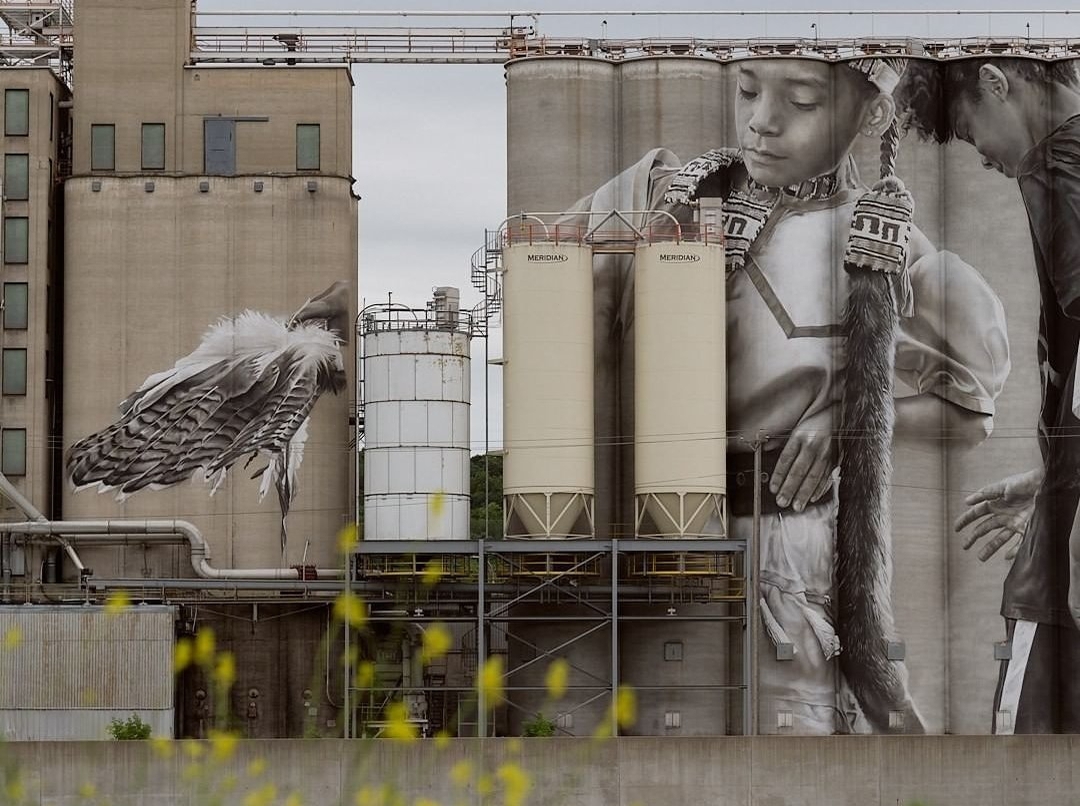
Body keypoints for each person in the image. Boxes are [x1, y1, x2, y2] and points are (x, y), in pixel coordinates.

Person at [565, 57, 1010, 734]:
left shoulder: (890, 248)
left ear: (873, 114)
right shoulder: (675, 201)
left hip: (793, 545)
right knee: (663, 730)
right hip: (661, 534)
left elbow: (972, 405)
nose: (761, 122)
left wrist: (860, 419)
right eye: (747, 91)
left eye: (800, 101)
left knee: (790, 728)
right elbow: (558, 302)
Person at [899, 57, 1080, 734]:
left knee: (1024, 762)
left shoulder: (1060, 165)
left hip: (1063, 574)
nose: (988, 162)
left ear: (997, 83)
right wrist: (1051, 471)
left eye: (974, 136)